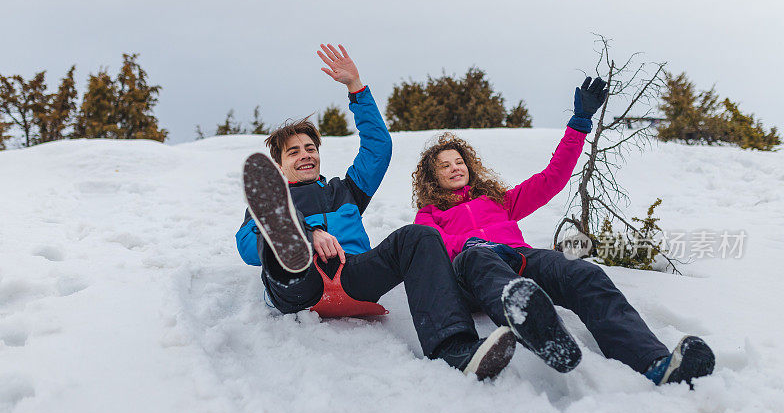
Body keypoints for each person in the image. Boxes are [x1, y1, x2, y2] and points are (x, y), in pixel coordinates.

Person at [236, 44, 520, 380]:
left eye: (310, 148)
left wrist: (356, 88)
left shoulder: (345, 191)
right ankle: (292, 243)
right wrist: (309, 235)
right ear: (280, 166)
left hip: (353, 274)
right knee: (277, 234)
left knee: (420, 236)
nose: (305, 155)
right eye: (294, 152)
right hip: (298, 283)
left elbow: (378, 148)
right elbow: (245, 247)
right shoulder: (267, 202)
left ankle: (455, 347)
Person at [411, 76, 716, 386]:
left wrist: (580, 122)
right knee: (479, 258)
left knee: (585, 274)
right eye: (444, 165)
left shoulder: (498, 201)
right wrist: (471, 243)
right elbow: (430, 245)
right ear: (432, 177)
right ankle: (542, 332)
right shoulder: (429, 213)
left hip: (520, 260)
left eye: (459, 161)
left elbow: (552, 178)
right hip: (472, 272)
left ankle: (654, 362)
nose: (454, 168)